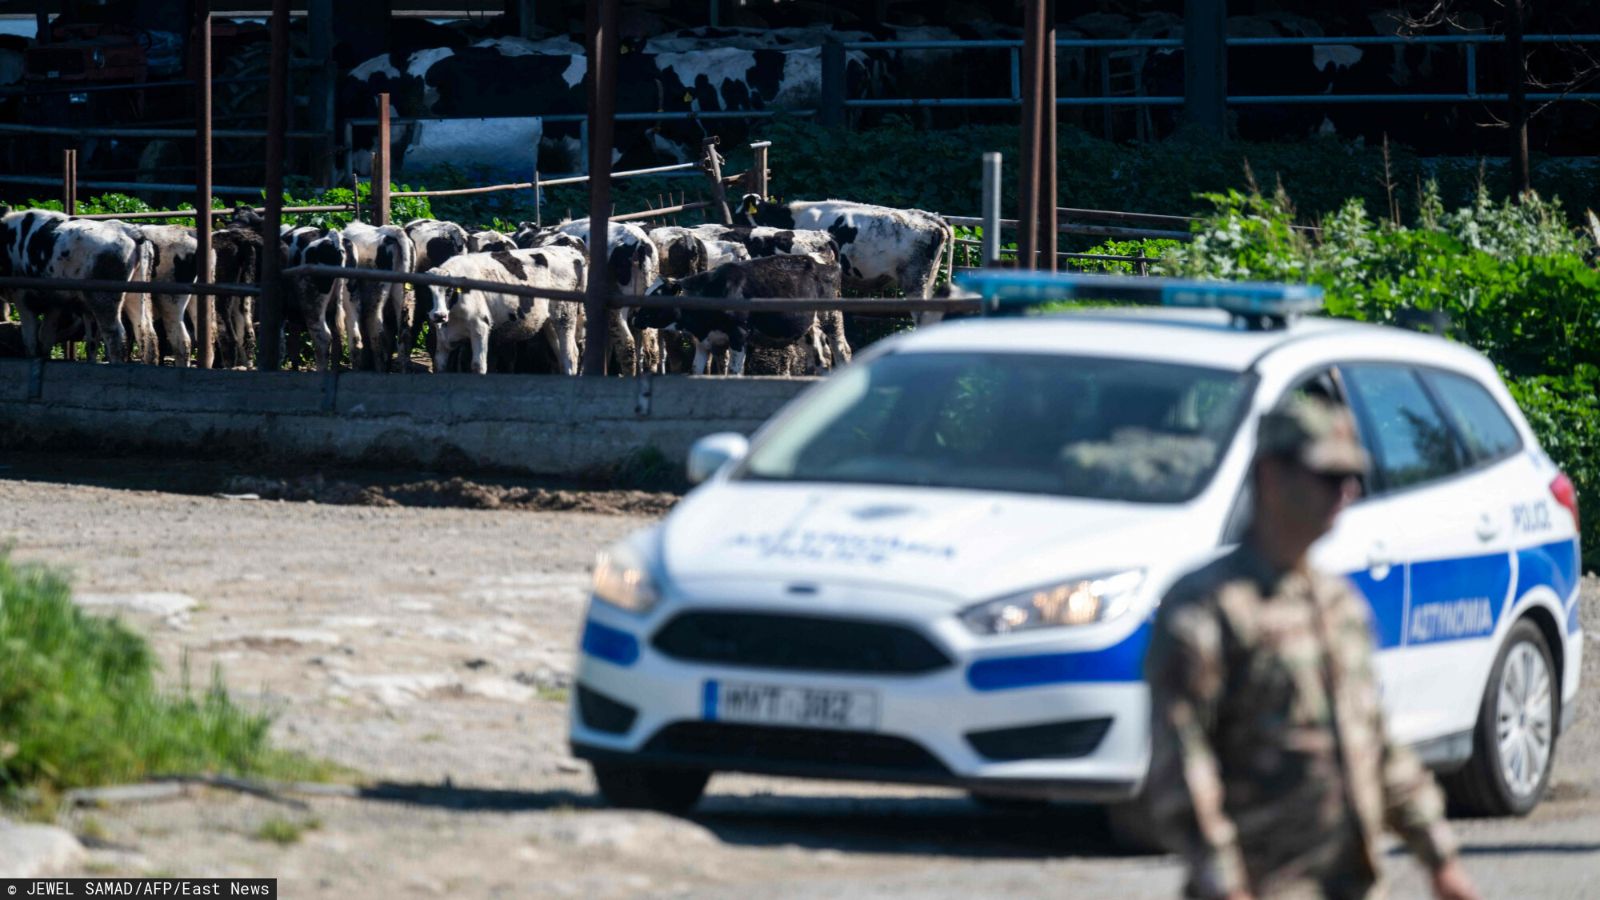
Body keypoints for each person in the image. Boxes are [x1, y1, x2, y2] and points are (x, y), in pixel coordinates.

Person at [1144, 396, 1479, 900]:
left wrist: (1440, 859)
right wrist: (1224, 884)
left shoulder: (1339, 605)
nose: (1347, 491)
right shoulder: (1208, 608)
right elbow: (1183, 765)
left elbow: (1376, 743)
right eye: (1328, 475)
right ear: (1270, 476)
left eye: (1353, 477)